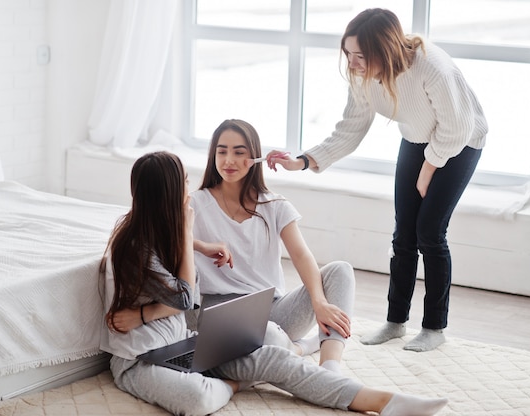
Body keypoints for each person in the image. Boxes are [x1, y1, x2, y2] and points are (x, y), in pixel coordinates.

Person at [99, 150, 448, 416]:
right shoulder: (134, 245)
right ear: (168, 194)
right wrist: (188, 231)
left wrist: (197, 243)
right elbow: (188, 297)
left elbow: (175, 282)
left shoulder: (158, 228)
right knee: (198, 398)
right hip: (140, 360)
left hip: (181, 345)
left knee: (272, 355)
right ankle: (234, 383)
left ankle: (383, 401)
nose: (189, 189)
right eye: (183, 183)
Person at [266, 8, 487, 353]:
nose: (352, 64)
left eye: (360, 56)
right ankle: (396, 322)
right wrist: (303, 161)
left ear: (384, 51)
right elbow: (350, 129)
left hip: (460, 141)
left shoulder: (431, 68)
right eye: (348, 54)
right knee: (403, 234)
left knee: (429, 231)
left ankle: (433, 327)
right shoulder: (363, 76)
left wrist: (430, 167)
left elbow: (457, 127)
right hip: (417, 138)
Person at [192, 118, 362, 373]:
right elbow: (162, 237)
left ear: (255, 158)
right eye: (222, 151)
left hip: (272, 311)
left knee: (341, 271)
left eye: (239, 152)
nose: (229, 160)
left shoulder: (274, 205)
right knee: (269, 340)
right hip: (220, 316)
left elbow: (302, 255)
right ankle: (299, 348)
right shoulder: (195, 203)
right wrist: (202, 245)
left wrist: (319, 303)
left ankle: (330, 366)